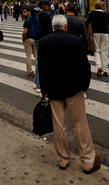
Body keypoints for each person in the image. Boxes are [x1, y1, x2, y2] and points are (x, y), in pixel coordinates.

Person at [38, 15, 100, 174]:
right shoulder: (75, 41)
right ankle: (87, 162)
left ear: (53, 27)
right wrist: (84, 86)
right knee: (80, 125)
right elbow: (84, 66)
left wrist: (44, 89)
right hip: (73, 89)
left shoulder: (44, 42)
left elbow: (42, 68)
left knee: (58, 126)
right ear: (65, 26)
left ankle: (62, 160)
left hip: (53, 90)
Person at [86, 0, 109, 77]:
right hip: (105, 34)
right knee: (104, 52)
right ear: (102, 7)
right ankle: (105, 70)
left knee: (97, 50)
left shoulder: (92, 13)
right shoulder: (106, 14)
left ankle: (99, 67)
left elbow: (87, 22)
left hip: (95, 33)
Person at [33, 0, 52, 93]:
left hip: (36, 39)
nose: (49, 7)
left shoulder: (35, 13)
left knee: (39, 61)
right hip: (43, 40)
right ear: (44, 6)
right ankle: (38, 84)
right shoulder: (45, 16)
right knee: (41, 62)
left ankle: (36, 81)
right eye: (48, 5)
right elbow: (49, 31)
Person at [22, 7, 36, 78]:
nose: (23, 13)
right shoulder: (34, 18)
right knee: (36, 55)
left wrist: (23, 38)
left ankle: (29, 72)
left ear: (29, 12)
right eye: (23, 12)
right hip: (34, 38)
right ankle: (39, 70)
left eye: (25, 12)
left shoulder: (27, 20)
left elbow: (25, 31)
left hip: (28, 39)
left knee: (28, 56)